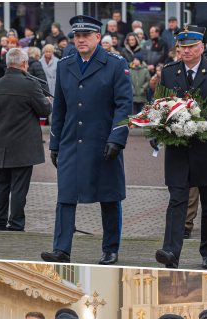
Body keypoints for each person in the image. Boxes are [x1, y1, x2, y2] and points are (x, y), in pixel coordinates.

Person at [41, 14, 133, 266]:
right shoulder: (65, 64)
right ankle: (61, 249)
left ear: (97, 37)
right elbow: (59, 108)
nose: (80, 40)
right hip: (72, 141)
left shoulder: (115, 63)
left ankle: (110, 249)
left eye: (85, 36)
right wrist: (55, 143)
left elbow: (124, 105)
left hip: (103, 141)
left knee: (109, 197)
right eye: (76, 36)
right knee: (66, 196)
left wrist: (118, 137)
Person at [154, 25, 207, 270]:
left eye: (192, 46)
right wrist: (159, 127)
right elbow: (160, 105)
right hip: (179, 150)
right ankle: (171, 251)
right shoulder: (169, 72)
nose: (187, 51)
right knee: (177, 201)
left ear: (202, 47)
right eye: (183, 47)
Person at [0, 47, 52, 232]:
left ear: (8, 63)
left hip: (2, 145)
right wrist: (47, 100)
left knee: (1, 185)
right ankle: (15, 224)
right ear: (24, 64)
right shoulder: (30, 85)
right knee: (18, 187)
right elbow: (44, 111)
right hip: (24, 145)